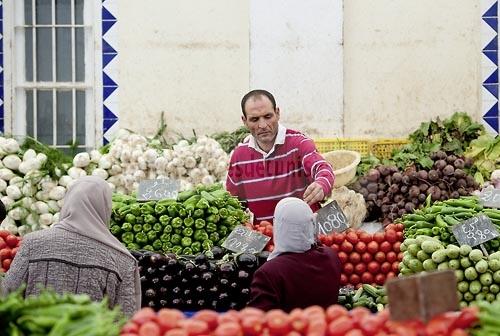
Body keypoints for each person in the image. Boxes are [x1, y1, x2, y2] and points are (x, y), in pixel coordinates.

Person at [1, 176, 141, 316]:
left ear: (68, 202)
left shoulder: (33, 243)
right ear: (106, 207)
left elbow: (6, 294)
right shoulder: (122, 261)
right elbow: (126, 319)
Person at [226, 89, 335, 223]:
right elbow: (233, 202)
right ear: (244, 121)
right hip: (265, 237)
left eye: (268, 116)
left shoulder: (299, 143)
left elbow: (322, 168)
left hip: (304, 232)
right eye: (254, 119)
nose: (263, 125)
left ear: (277, 113)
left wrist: (321, 184)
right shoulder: (239, 156)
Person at [248, 197, 341, 312]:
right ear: (310, 224)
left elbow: (258, 318)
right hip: (324, 327)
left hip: (292, 329)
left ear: (279, 226)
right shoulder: (331, 255)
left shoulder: (269, 273)